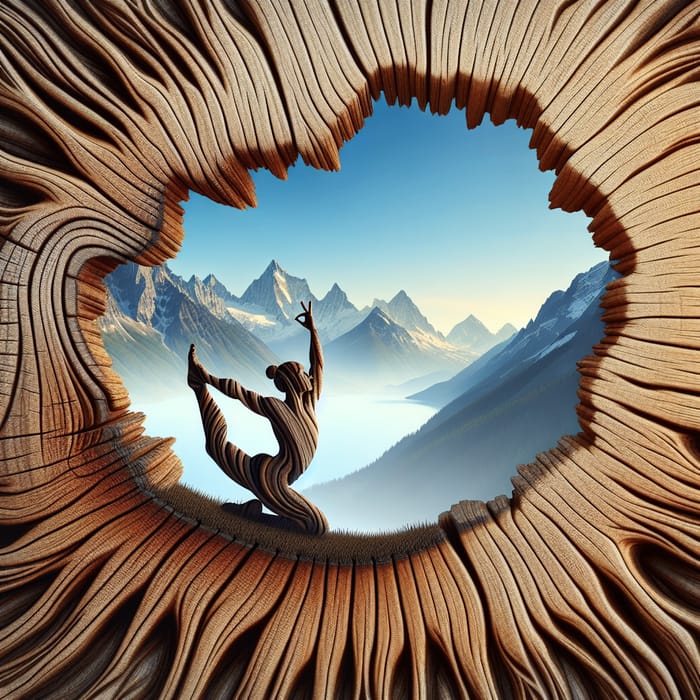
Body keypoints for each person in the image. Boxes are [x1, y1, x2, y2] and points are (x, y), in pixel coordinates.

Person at [187, 301, 328, 535]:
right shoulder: (275, 406)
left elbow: (319, 365)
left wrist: (313, 331)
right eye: (302, 372)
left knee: (217, 449)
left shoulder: (310, 400)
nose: (308, 375)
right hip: (272, 479)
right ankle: (198, 385)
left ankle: (248, 516)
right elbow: (239, 392)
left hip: (273, 476)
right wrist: (207, 377)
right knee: (316, 526)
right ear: (293, 380)